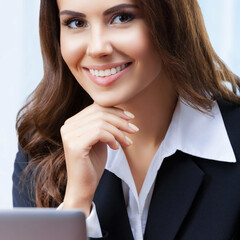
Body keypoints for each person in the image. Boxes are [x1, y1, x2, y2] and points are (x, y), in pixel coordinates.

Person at [12, 0, 240, 239]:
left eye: (122, 18)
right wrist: (76, 204)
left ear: (171, 18)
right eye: (76, 23)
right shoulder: (38, 154)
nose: (97, 48)